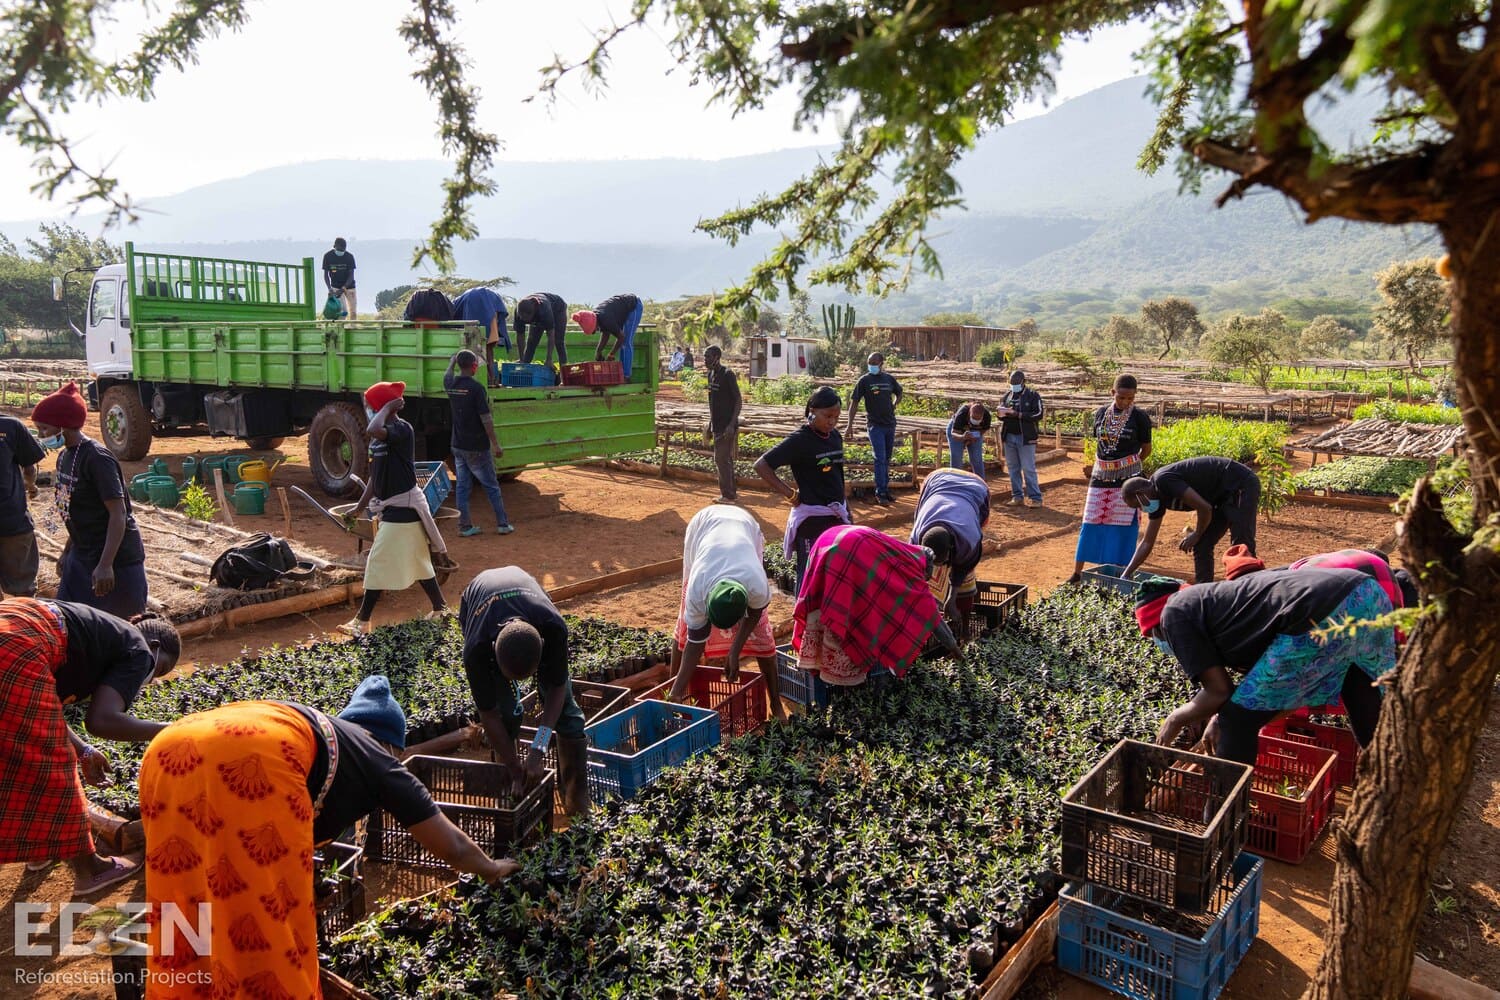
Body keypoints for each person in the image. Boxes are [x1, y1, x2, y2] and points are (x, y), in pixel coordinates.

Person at [138, 676, 519, 999]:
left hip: (167, 750)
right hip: (250, 755)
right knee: (265, 926)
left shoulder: (328, 741)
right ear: (391, 744)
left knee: (184, 888)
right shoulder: (378, 761)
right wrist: (491, 868)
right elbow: (449, 844)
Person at [0, 598, 180, 896]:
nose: (147, 677)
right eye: (158, 668)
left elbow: (47, 710)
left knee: (15, 754)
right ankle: (91, 870)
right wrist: (177, 730)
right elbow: (101, 721)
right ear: (155, 645)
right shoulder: (139, 648)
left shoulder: (95, 635)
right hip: (15, 645)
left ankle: (39, 847)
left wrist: (84, 750)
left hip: (12, 630)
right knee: (53, 763)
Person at [1139, 569, 1396, 764]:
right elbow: (1278, 688)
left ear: (1155, 624)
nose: (1163, 643)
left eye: (1154, 638)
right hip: (1368, 594)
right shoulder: (1218, 605)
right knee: (1365, 703)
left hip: (1319, 611)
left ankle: (1224, 820)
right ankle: (1392, 790)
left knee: (1235, 720)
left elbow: (1219, 692)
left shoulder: (1172, 613)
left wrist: (1174, 720)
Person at [459, 568, 592, 816]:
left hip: (528, 597)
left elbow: (557, 687)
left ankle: (576, 802)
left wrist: (538, 749)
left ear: (542, 647)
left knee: (568, 715)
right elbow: (488, 713)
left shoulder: (553, 627)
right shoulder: (477, 649)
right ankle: (509, 787)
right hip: (477, 603)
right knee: (506, 712)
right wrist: (514, 766)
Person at [339, 382, 452, 636]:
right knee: (420, 562)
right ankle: (441, 608)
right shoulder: (379, 441)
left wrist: (388, 406)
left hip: (404, 508)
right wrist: (358, 508)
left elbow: (372, 427)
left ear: (380, 407)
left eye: (370, 404)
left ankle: (362, 621)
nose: (366, 408)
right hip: (395, 508)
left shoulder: (401, 430)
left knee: (377, 561)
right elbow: (374, 478)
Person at [32, 382, 149, 618]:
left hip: (115, 560)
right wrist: (67, 552)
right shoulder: (65, 457)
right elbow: (72, 513)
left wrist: (106, 565)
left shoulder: (97, 459)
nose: (42, 436)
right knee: (72, 622)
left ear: (63, 425)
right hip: (82, 555)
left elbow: (119, 514)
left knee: (122, 627)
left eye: (44, 428)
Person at [793, 525, 959, 687]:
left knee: (825, 601)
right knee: (842, 607)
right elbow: (933, 618)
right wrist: (956, 650)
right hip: (845, 550)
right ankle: (839, 684)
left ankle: (817, 676)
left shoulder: (901, 551)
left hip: (828, 540)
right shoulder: (912, 569)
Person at [668, 505, 786, 720]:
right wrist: (676, 690)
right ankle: (674, 689)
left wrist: (735, 649)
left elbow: (756, 614)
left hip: (744, 524)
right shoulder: (697, 589)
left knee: (762, 635)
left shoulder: (757, 585)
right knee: (685, 624)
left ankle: (776, 706)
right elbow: (695, 643)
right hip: (703, 525)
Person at [755, 385, 851, 592]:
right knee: (808, 574)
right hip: (812, 520)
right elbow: (762, 465)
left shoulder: (835, 437)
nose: (832, 421)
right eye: (827, 416)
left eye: (836, 416)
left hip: (836, 516)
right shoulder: (800, 440)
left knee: (835, 570)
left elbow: (837, 475)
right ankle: (802, 620)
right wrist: (790, 494)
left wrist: (846, 510)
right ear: (812, 411)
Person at [1120, 457, 1261, 583]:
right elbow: (1147, 542)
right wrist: (1126, 574)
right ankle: (1204, 593)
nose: (1141, 509)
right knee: (1202, 545)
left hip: (1239, 484)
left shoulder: (1163, 481)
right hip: (1219, 498)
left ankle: (1249, 591)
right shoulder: (1156, 500)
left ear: (1140, 494)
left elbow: (1204, 508)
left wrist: (1197, 533)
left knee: (1242, 545)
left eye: (1138, 504)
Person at [1070, 374, 1154, 583]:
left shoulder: (1140, 417)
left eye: (1130, 398)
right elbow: (1100, 443)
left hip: (1128, 480)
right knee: (1090, 521)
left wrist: (1128, 465)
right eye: (1121, 398)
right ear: (1112, 393)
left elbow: (1146, 449)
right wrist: (1104, 465)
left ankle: (1121, 572)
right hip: (1100, 477)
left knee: (1124, 525)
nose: (1125, 402)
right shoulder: (1101, 414)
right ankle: (1078, 573)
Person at [911, 467, 990, 637]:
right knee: (932, 578)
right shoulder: (916, 538)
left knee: (965, 575)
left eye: (942, 560)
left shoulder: (969, 539)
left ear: (951, 548)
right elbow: (914, 574)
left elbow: (963, 568)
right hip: (936, 481)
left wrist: (951, 599)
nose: (941, 564)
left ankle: (965, 629)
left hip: (974, 487)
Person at [444, 351, 513, 537]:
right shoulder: (476, 388)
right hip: (477, 446)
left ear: (459, 365)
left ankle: (464, 526)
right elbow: (486, 419)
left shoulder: (451, 385)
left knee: (462, 486)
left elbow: (447, 375)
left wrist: (452, 363)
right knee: (491, 485)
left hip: (458, 446)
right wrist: (496, 445)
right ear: (474, 365)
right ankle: (502, 524)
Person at [846, 352, 903, 505]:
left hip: (890, 424)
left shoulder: (889, 379)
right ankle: (881, 492)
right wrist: (849, 425)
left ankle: (885, 489)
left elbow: (899, 392)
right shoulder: (864, 381)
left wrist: (894, 404)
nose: (871, 365)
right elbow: (854, 403)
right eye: (869, 362)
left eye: (873, 363)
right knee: (880, 458)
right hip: (875, 425)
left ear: (881, 364)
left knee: (887, 458)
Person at [0, 412, 44, 596]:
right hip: (12, 522)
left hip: (12, 523)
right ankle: (25, 624)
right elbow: (29, 468)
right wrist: (31, 486)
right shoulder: (11, 426)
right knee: (23, 591)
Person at [999, 370, 1045, 507]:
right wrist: (1001, 414)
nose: (1013, 385)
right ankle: (1017, 496)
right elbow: (1002, 413)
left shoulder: (1032, 396)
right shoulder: (1007, 396)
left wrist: (1018, 414)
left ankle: (1036, 498)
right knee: (1013, 468)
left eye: (1016, 383)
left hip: (1026, 437)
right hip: (1009, 437)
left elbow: (1039, 414)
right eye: (1011, 383)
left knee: (1028, 468)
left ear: (1023, 382)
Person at [573, 293, 644, 378]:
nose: (596, 331)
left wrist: (611, 354)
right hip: (623, 307)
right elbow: (605, 334)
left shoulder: (605, 319)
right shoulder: (598, 316)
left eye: (594, 330)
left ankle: (626, 375)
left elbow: (621, 337)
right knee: (623, 343)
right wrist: (598, 351)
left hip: (634, 306)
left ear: (594, 324)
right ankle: (622, 373)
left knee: (626, 342)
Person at [705, 345, 742, 503]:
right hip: (717, 424)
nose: (706, 360)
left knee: (721, 459)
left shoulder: (727, 374)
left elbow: (738, 400)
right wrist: (709, 424)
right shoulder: (711, 375)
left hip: (727, 426)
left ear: (717, 357)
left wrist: (731, 425)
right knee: (725, 459)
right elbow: (712, 403)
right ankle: (731, 493)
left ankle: (727, 496)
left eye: (708, 357)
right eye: (705, 356)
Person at [452, 286, 510, 385]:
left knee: (476, 350)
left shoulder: (457, 303)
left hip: (478, 313)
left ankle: (483, 379)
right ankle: (492, 379)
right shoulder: (467, 297)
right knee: (488, 350)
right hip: (492, 312)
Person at [514, 291, 569, 367]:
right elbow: (520, 336)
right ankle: (525, 365)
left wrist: (549, 359)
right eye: (521, 317)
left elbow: (551, 336)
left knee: (558, 341)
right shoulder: (518, 313)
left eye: (525, 319)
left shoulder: (544, 311)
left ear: (532, 314)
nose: (522, 320)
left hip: (558, 309)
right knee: (531, 341)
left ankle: (563, 367)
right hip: (539, 313)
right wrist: (521, 358)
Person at [947, 401, 992, 479]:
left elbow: (984, 429)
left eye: (978, 419)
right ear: (970, 413)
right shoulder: (962, 413)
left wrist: (976, 437)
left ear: (982, 416)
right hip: (958, 432)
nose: (976, 420)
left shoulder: (987, 416)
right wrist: (963, 437)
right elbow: (954, 433)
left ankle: (981, 483)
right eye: (974, 418)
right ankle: (955, 482)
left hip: (975, 432)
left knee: (977, 458)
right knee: (956, 458)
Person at [322, 237, 357, 318]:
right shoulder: (328, 256)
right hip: (335, 287)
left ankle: (353, 327)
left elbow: (351, 276)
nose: (341, 252)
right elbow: (326, 275)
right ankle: (340, 328)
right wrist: (330, 289)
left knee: (353, 311)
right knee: (342, 311)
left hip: (349, 286)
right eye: (340, 250)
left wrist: (343, 288)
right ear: (334, 246)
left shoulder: (349, 257)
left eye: (343, 250)